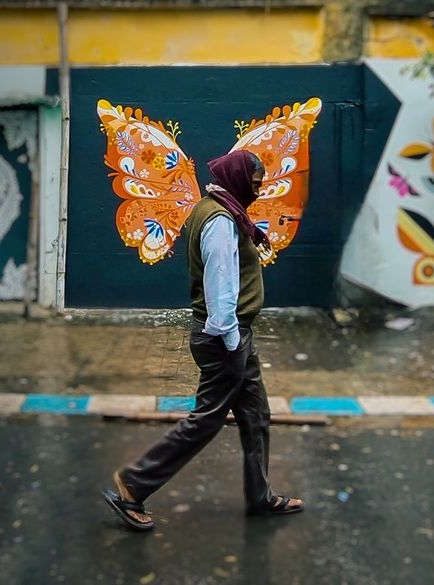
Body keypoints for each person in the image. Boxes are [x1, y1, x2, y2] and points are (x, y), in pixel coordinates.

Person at [102, 150, 303, 531]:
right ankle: (133, 484)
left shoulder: (217, 208)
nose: (258, 193)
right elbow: (221, 288)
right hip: (225, 336)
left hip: (236, 335)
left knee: (256, 415)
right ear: (241, 180)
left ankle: (260, 497)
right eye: (256, 185)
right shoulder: (220, 221)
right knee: (205, 422)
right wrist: (231, 342)